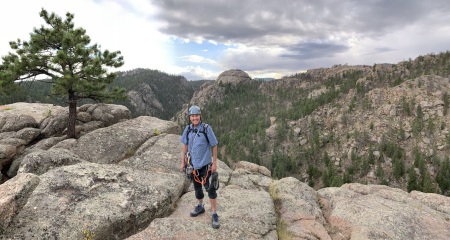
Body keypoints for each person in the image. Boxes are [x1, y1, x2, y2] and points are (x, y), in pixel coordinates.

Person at [180, 105, 220, 229]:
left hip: (205, 165)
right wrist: (183, 161)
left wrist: (214, 163)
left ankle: (214, 213)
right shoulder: (188, 129)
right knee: (197, 188)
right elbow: (185, 146)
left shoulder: (206, 128)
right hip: (193, 165)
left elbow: (214, 145)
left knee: (210, 189)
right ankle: (200, 206)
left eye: (196, 115)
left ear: (200, 116)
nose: (195, 118)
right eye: (192, 116)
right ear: (190, 117)